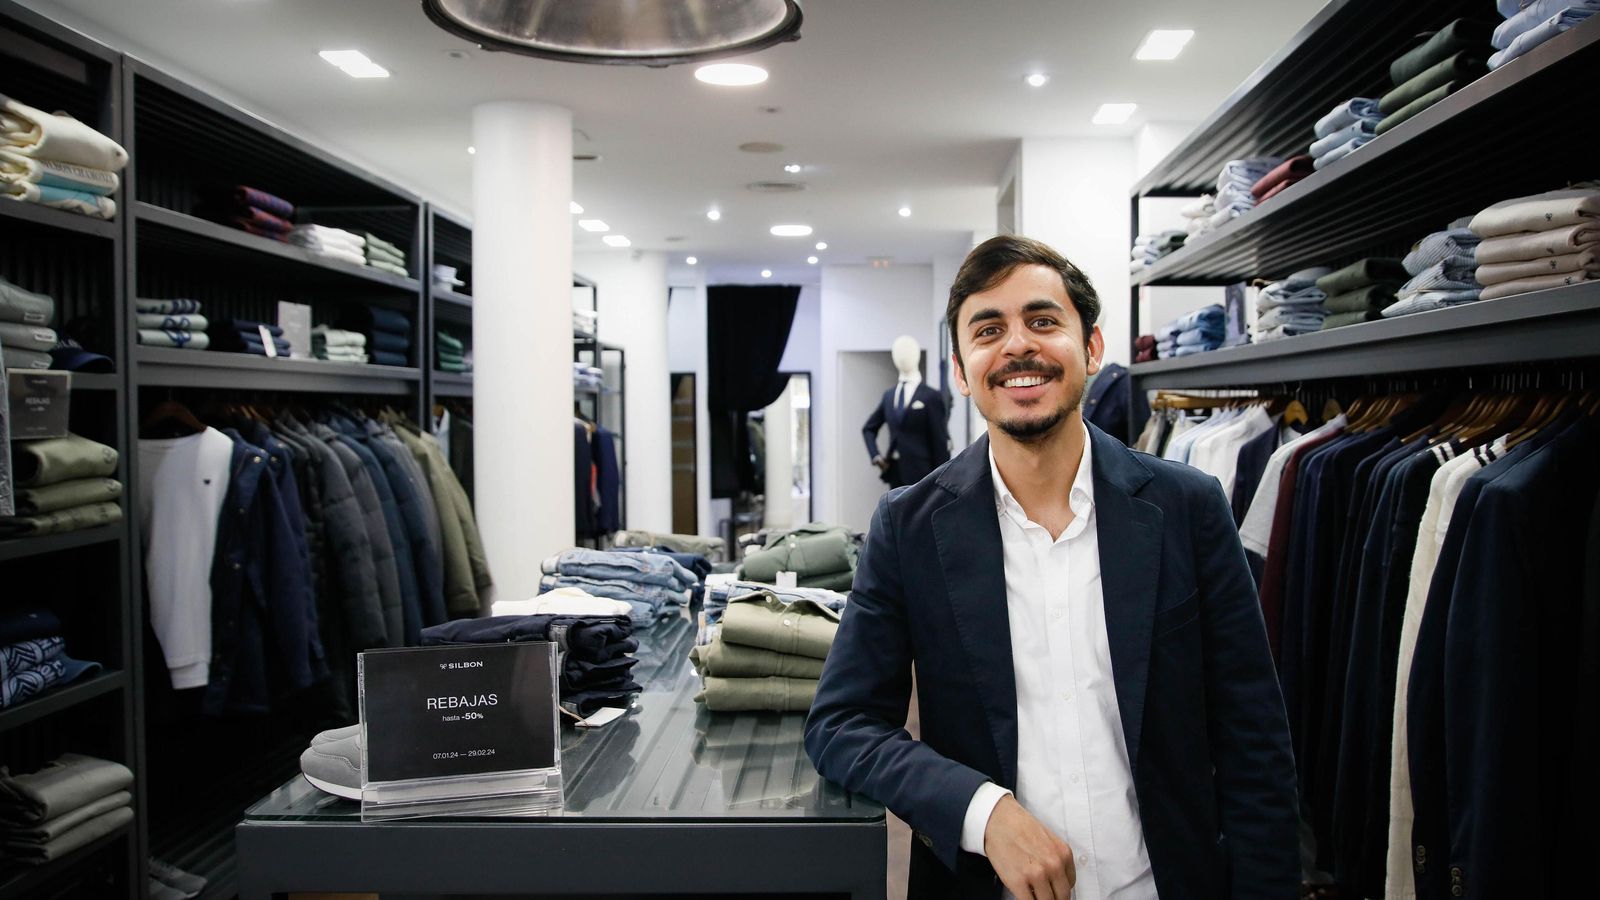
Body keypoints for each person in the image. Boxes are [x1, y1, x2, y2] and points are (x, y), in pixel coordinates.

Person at [804, 235, 1299, 899]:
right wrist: (982, 812)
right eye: (988, 329)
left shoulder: (1188, 508)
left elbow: (1255, 738)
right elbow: (842, 723)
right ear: (961, 369)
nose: (1016, 346)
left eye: (1043, 321)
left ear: (1091, 349)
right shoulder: (909, 527)